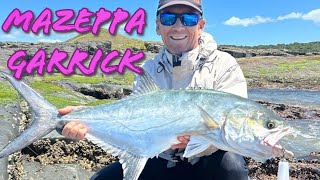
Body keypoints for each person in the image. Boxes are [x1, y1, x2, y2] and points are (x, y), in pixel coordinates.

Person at [59, 0, 249, 179]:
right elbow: (132, 118)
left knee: (232, 166)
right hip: (159, 158)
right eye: (168, 18)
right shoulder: (147, 70)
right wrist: (84, 117)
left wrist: (201, 143)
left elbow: (234, 129)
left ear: (200, 25)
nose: (178, 26)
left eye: (189, 18)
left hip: (206, 163)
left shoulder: (225, 65)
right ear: (158, 26)